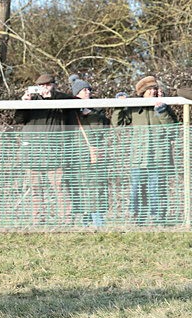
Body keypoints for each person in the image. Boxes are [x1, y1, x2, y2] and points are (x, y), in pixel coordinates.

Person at [112, 76, 178, 225]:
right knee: (137, 189)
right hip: (139, 158)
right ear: (142, 92)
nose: (153, 91)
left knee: (158, 190)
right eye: (150, 89)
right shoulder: (134, 108)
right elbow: (118, 125)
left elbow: (173, 130)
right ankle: (138, 218)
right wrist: (119, 106)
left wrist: (162, 112)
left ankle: (158, 219)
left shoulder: (164, 107)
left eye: (155, 88)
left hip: (159, 158)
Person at [15, 74, 73, 225]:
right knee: (35, 188)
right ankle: (38, 220)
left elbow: (74, 103)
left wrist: (51, 97)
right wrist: (24, 103)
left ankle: (66, 220)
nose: (44, 88)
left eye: (48, 85)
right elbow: (19, 119)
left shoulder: (60, 100)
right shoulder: (31, 101)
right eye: (41, 85)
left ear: (54, 85)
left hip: (54, 153)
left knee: (60, 187)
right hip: (32, 154)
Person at [65, 77, 110, 228]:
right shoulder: (70, 112)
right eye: (84, 90)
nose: (88, 92)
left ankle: (98, 221)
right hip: (76, 158)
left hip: (94, 159)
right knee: (79, 189)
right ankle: (84, 220)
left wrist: (90, 115)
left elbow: (101, 131)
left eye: (89, 89)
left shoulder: (98, 110)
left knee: (96, 188)